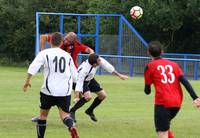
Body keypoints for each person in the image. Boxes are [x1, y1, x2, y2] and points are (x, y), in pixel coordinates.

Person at [23, 32, 79, 138]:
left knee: (43, 116)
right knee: (65, 116)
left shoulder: (44, 53)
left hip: (48, 90)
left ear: (50, 42)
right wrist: (77, 92)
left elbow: (32, 68)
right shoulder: (67, 56)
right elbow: (76, 76)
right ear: (61, 42)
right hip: (64, 91)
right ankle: (71, 126)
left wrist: (27, 82)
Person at [144, 41, 200, 138]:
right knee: (163, 128)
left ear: (148, 52)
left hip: (163, 103)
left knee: (162, 133)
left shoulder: (150, 66)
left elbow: (147, 91)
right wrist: (195, 97)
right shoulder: (174, 64)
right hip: (177, 103)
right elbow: (184, 81)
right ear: (162, 51)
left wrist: (149, 86)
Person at [70, 53, 129, 122]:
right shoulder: (84, 70)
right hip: (80, 81)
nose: (100, 61)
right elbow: (79, 83)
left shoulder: (97, 60)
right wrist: (77, 96)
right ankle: (72, 111)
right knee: (88, 97)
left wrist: (119, 75)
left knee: (103, 95)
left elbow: (108, 67)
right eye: (99, 60)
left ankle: (89, 110)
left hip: (90, 79)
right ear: (94, 64)